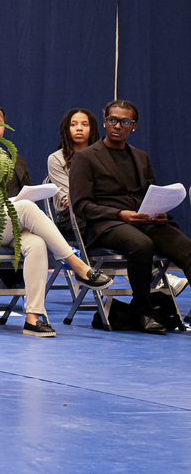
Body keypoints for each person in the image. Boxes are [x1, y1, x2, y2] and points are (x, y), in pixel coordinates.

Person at [0, 104, 111, 337]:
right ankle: (75, 264)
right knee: (24, 207)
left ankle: (33, 317)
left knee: (36, 243)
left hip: (12, 225)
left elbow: (26, 195)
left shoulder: (15, 159)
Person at [70, 99, 191, 334]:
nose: (117, 125)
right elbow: (81, 205)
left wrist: (159, 212)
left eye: (125, 121)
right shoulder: (86, 157)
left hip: (143, 220)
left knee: (185, 247)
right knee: (141, 245)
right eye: (113, 120)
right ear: (105, 120)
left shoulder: (141, 157)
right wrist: (120, 214)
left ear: (133, 126)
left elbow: (152, 193)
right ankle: (144, 311)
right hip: (107, 224)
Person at [46, 108, 100, 234]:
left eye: (85, 124)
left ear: (92, 129)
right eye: (73, 124)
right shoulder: (56, 159)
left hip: (101, 210)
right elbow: (71, 200)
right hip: (71, 216)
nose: (79, 128)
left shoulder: (101, 156)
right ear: (66, 129)